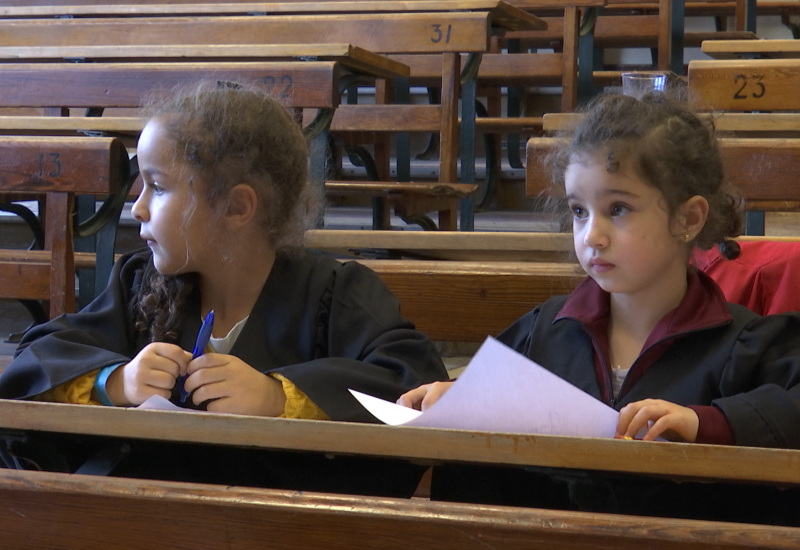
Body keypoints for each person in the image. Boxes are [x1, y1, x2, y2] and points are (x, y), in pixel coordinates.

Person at [0, 81, 448, 495]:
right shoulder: (141, 283)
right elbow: (40, 359)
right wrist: (115, 381)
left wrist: (278, 397)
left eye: (157, 187)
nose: (136, 208)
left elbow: (410, 381)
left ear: (236, 207)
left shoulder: (336, 291)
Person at [398, 92, 800, 524]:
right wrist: (459, 399)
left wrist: (708, 423)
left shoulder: (745, 344)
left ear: (688, 219)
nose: (592, 235)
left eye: (618, 209)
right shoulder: (546, 329)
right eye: (579, 211)